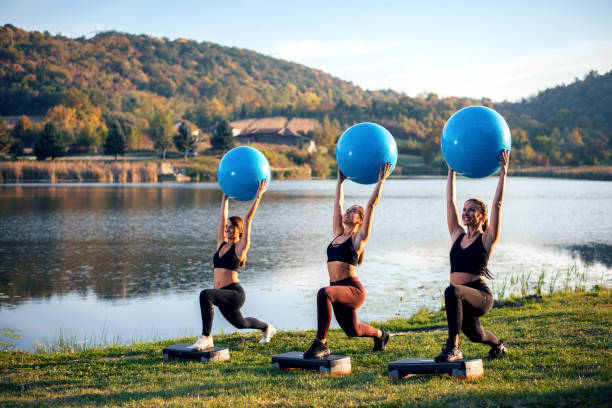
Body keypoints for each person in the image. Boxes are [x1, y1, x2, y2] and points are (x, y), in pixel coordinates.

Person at [303, 163, 392, 359]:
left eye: (352, 211)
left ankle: (321, 343)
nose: (347, 213)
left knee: (323, 293)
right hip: (338, 289)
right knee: (354, 331)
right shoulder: (337, 234)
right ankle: (381, 335)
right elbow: (337, 204)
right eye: (347, 210)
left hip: (353, 290)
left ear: (360, 220)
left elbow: (371, 205)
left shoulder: (358, 239)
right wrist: (339, 181)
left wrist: (381, 180)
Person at [435, 151, 510, 362]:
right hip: (461, 297)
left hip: (480, 295)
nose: (466, 213)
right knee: (478, 336)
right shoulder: (457, 235)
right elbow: (450, 202)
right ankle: (498, 345)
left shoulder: (487, 238)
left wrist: (504, 172)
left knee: (452, 291)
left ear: (482, 216)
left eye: (472, 210)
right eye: (465, 209)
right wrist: (451, 172)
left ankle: (453, 348)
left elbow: (497, 204)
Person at [190, 180, 275, 350]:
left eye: (231, 227)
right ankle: (267, 328)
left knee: (205, 295)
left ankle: (206, 337)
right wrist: (225, 197)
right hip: (222, 295)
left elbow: (248, 219)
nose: (227, 229)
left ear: (239, 230)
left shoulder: (240, 248)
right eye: (227, 227)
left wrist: (258, 196)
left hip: (234, 294)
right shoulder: (221, 243)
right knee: (241, 323)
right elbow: (222, 216)